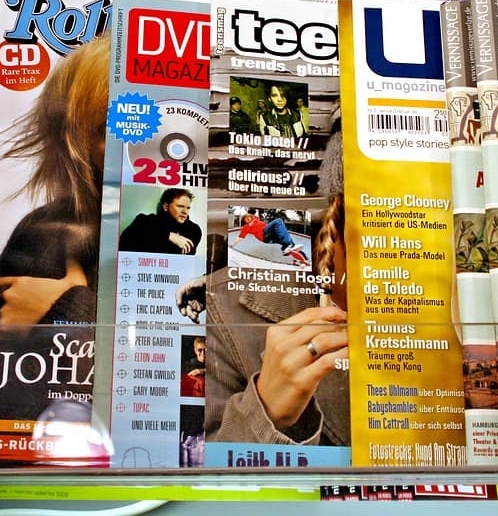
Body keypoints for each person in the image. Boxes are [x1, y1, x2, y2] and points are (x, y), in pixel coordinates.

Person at [0, 36, 111, 456]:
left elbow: (176, 382)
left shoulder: (190, 234)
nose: (130, 142)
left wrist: (70, 306)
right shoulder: (48, 232)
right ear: (73, 141)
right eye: (106, 129)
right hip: (57, 464)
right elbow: (5, 409)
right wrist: (71, 316)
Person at [204, 130, 349, 445]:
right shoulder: (225, 304)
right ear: (338, 215)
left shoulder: (460, 305)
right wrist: (269, 411)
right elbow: (190, 466)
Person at [119, 188, 202, 255]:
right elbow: (125, 246)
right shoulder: (145, 221)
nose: (185, 212)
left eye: (188, 208)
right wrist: (169, 236)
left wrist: (155, 237)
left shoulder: (194, 230)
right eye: (180, 206)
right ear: (166, 207)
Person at [230, 208, 303, 256]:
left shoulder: (255, 218)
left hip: (271, 237)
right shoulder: (245, 228)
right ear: (244, 221)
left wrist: (257, 209)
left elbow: (255, 214)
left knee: (291, 242)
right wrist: (232, 245)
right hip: (264, 234)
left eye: (249, 217)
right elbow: (240, 238)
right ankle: (287, 245)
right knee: (278, 221)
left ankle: (286, 250)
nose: (249, 219)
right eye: (246, 219)